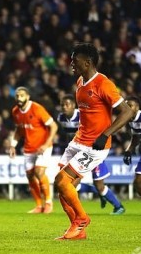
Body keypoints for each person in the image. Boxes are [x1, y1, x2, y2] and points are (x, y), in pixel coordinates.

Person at [54, 43, 133, 241]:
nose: (71, 64)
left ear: (88, 62)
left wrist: (105, 135)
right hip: (78, 141)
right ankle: (78, 230)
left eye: (75, 61)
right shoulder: (80, 81)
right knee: (60, 185)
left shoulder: (103, 84)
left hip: (94, 146)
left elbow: (127, 112)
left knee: (64, 182)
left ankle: (81, 219)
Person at [57, 94, 125, 215]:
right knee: (72, 182)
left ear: (74, 106)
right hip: (77, 150)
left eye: (66, 104)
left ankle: (118, 206)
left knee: (99, 185)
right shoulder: (60, 118)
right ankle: (77, 212)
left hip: (92, 151)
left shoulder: (81, 115)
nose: (64, 107)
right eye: (62, 105)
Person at [9, 86, 58, 214]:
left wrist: (47, 144)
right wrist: (13, 145)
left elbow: (53, 126)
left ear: (28, 97)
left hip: (43, 146)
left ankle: (48, 202)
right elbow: (19, 130)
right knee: (30, 176)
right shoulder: (15, 112)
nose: (19, 98)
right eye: (17, 96)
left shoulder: (37, 109)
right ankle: (38, 205)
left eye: (21, 95)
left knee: (39, 171)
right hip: (29, 148)